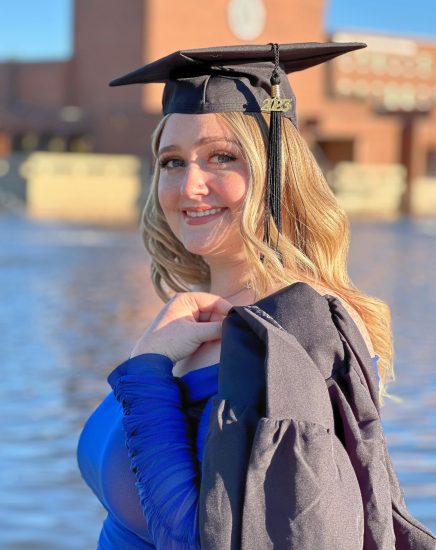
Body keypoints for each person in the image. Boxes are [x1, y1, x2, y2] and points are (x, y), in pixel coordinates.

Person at [77, 43, 435, 549]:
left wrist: (147, 371)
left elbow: (209, 539)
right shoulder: (186, 323)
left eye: (222, 157)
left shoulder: (299, 332)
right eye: (172, 161)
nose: (190, 184)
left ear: (278, 171)